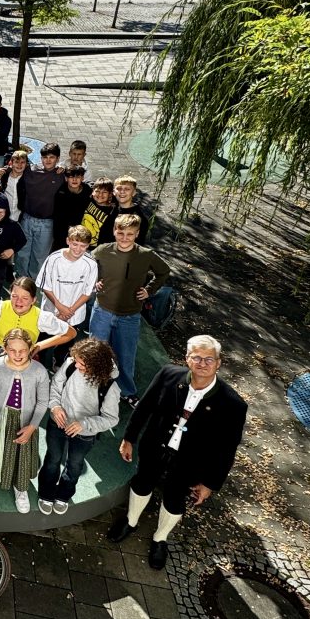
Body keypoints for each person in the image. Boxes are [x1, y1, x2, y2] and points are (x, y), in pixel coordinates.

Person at [107, 335, 248, 570]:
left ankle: (160, 538)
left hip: (190, 462)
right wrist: (129, 438)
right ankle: (130, 521)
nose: (202, 364)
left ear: (219, 363)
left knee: (174, 500)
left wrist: (210, 483)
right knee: (142, 483)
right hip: (155, 447)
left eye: (209, 359)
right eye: (197, 357)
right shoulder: (168, 375)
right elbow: (144, 407)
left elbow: (226, 449)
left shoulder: (233, 404)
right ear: (187, 359)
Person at [89, 214, 171, 407]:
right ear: (114, 231)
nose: (124, 238)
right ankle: (93, 387)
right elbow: (87, 266)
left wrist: (149, 290)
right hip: (102, 311)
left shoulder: (145, 255)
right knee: (96, 352)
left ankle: (126, 392)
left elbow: (163, 271)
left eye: (130, 234)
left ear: (137, 234)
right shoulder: (102, 250)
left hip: (130, 316)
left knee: (125, 356)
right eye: (120, 233)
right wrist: (94, 280)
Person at [36, 339, 120, 515]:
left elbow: (111, 418)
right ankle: (45, 493)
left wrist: (85, 424)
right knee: (52, 459)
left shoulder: (109, 386)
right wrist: (55, 406)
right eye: (77, 361)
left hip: (84, 433)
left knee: (74, 465)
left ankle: (63, 495)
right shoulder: (70, 364)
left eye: (82, 364)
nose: (77, 365)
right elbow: (55, 386)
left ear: (96, 366)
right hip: (58, 423)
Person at [0, 328, 50, 512]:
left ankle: (20, 489)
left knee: (21, 455)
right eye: (12, 350)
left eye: (22, 350)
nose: (18, 355)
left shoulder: (39, 371)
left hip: (25, 421)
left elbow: (42, 401)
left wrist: (32, 427)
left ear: (30, 349)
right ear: (5, 348)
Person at [0, 276, 76, 364]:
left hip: (25, 360)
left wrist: (40, 345)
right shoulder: (0, 308)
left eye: (25, 298)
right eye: (14, 296)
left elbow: (71, 333)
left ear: (33, 300)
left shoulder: (41, 317)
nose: (19, 301)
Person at [36, 224, 97, 358]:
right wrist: (60, 307)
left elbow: (87, 292)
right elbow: (45, 286)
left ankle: (59, 362)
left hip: (73, 315)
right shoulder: (53, 258)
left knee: (66, 343)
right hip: (51, 311)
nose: (78, 249)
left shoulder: (91, 264)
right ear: (68, 241)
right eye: (75, 244)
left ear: (88, 246)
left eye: (83, 246)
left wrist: (69, 311)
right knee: (43, 341)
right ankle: (38, 360)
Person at [10, 142, 66, 281]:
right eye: (45, 157)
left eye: (52, 157)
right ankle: (20, 279)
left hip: (46, 223)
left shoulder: (61, 175)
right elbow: (14, 167)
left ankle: (33, 283)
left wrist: (65, 168)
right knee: (22, 253)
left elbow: (77, 177)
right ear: (41, 158)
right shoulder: (30, 170)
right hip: (27, 219)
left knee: (39, 257)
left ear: (58, 159)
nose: (48, 160)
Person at [100, 175, 151, 246]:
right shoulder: (112, 208)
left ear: (134, 193)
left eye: (127, 189)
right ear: (114, 192)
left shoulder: (139, 218)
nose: (122, 191)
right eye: (119, 188)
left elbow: (137, 244)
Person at [53, 166, 92, 250]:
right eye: (71, 177)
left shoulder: (88, 190)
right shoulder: (60, 190)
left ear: (82, 178)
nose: (74, 180)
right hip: (61, 230)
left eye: (78, 177)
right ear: (66, 178)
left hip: (80, 230)